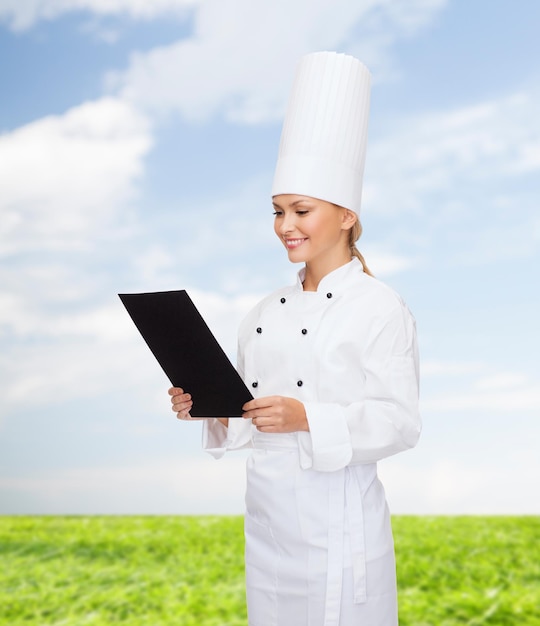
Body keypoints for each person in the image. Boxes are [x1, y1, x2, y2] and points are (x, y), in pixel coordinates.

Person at [169, 51, 421, 626]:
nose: (286, 226)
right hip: (269, 530)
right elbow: (251, 419)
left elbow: (400, 421)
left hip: (340, 536)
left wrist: (308, 416)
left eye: (301, 210)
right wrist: (207, 409)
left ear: (347, 215)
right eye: (278, 211)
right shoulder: (263, 312)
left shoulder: (379, 307)